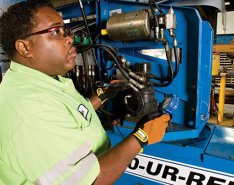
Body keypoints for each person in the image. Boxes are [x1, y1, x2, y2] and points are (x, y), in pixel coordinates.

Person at [0, 0, 170, 185]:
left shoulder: (37, 82)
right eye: (55, 31)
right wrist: (141, 136)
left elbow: (66, 115)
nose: (69, 39)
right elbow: (91, 180)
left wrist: (101, 96)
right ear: (24, 48)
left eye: (65, 31)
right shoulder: (33, 109)